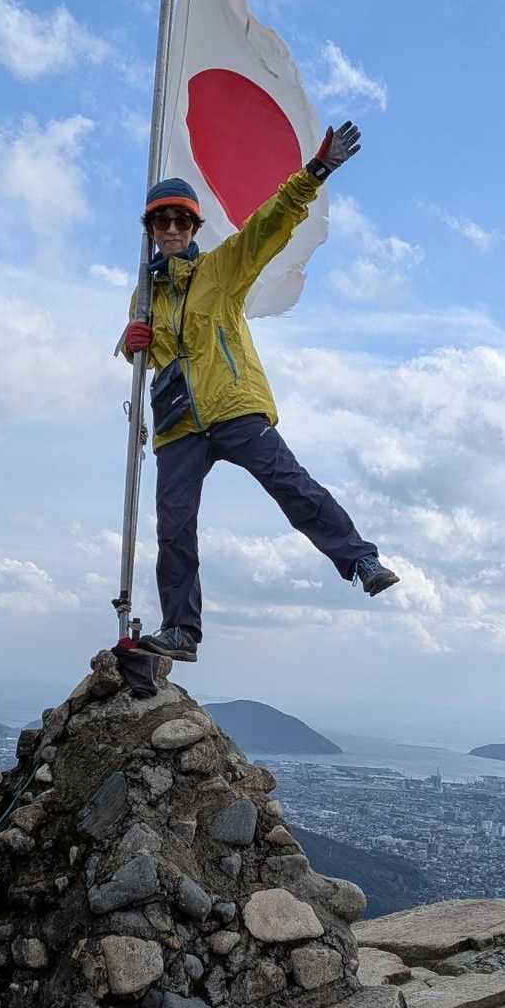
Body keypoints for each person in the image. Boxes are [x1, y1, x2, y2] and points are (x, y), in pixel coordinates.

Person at [121, 121, 399, 662]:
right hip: (178, 422)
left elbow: (269, 224)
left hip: (234, 405)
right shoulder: (145, 294)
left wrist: (316, 171)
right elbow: (152, 357)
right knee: (174, 528)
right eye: (162, 220)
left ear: (194, 227)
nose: (172, 227)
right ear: (150, 229)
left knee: (290, 483)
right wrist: (132, 343)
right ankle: (181, 630)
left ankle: (360, 560)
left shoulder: (222, 270)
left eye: (181, 219)